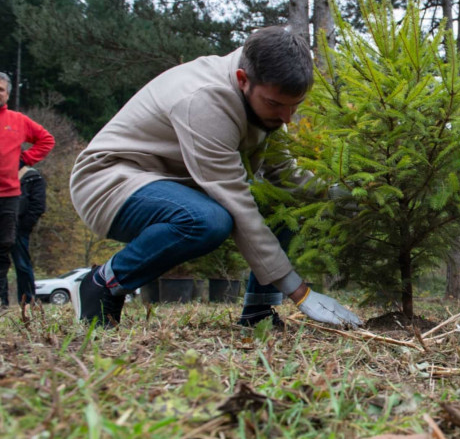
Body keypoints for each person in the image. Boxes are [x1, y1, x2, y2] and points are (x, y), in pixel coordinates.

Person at [70, 26, 361, 328]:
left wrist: (336, 194)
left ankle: (258, 311)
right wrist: (300, 293)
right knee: (208, 220)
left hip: (175, 186)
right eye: (276, 105)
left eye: (295, 106)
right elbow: (236, 202)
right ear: (242, 80)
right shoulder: (204, 102)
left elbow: (283, 174)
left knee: (281, 202)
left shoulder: (263, 101)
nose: (287, 118)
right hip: (110, 183)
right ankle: (103, 283)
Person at [0, 72, 55, 307]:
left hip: (9, 195)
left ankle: (2, 303)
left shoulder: (18, 120)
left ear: (7, 95)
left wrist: (24, 159)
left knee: (3, 249)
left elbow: (46, 140)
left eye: (0, 90)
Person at [10, 163, 47, 304]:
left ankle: (27, 301)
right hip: (5, 226)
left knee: (22, 265)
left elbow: (38, 206)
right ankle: (3, 303)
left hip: (19, 228)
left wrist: (24, 226)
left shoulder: (32, 177)